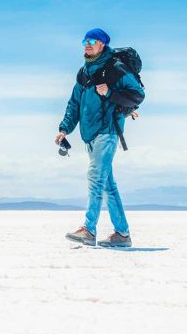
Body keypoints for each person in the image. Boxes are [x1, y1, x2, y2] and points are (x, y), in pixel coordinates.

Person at [55, 28, 145, 247]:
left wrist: (111, 93)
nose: (87, 44)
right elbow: (74, 103)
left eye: (92, 40)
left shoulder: (115, 68)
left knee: (95, 178)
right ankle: (122, 235)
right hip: (90, 134)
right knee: (107, 185)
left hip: (108, 131)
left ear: (102, 44)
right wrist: (64, 129)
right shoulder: (84, 72)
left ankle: (88, 229)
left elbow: (138, 95)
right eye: (85, 40)